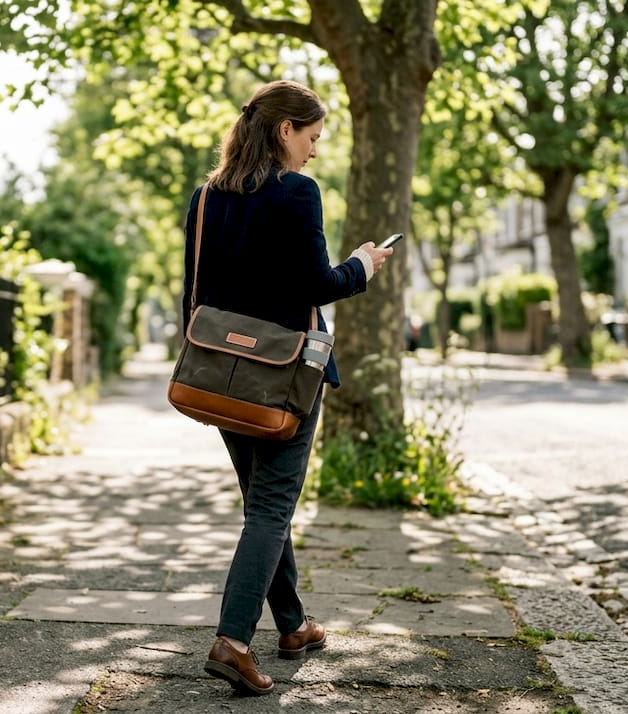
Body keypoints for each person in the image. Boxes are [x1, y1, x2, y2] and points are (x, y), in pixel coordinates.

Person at [181, 79, 392, 695]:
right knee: (272, 507)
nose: (315, 152)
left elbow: (195, 289)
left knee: (262, 507)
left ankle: (294, 624)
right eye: (312, 137)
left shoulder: (204, 197)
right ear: (284, 131)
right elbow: (318, 283)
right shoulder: (298, 193)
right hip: (284, 375)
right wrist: (363, 265)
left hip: (219, 372)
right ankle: (232, 640)